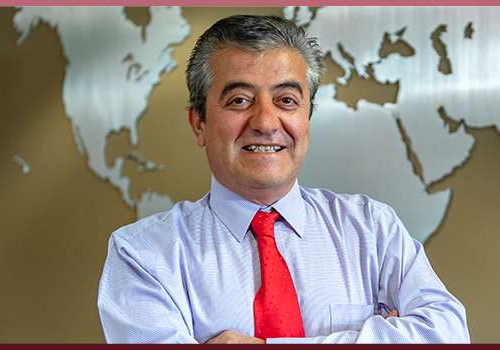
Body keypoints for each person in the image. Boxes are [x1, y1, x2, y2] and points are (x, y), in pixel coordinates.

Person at [96, 15, 469, 344]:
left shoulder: (373, 229)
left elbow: (448, 334)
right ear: (199, 123)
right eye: (240, 100)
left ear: (308, 118)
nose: (266, 122)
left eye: (287, 100)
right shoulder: (142, 256)